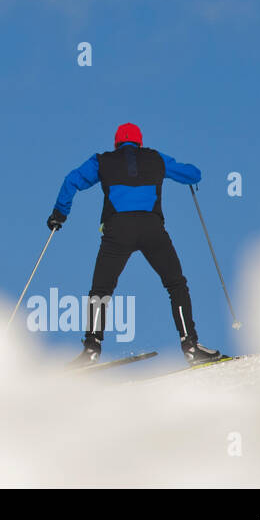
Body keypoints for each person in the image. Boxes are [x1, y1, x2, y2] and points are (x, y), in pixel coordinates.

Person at [47, 122, 224, 365]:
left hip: (117, 230)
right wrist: (190, 173)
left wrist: (59, 214)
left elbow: (72, 180)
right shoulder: (155, 158)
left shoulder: (102, 160)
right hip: (152, 228)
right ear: (139, 142)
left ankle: (91, 349)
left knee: (100, 291)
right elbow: (193, 174)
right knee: (176, 285)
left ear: (116, 143)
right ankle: (190, 345)